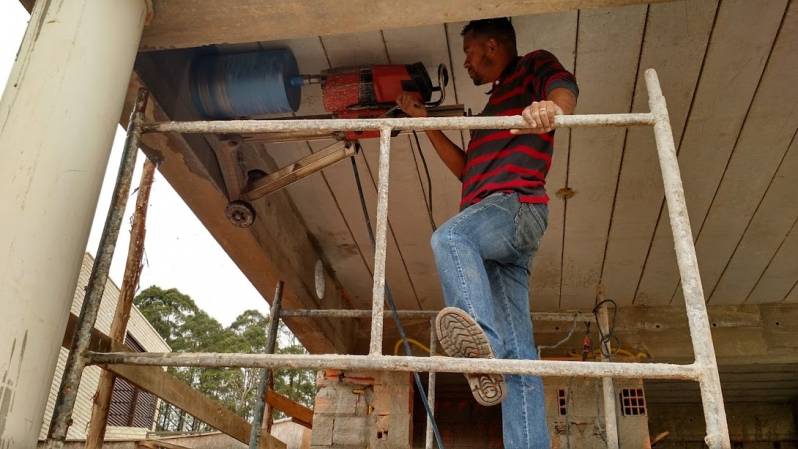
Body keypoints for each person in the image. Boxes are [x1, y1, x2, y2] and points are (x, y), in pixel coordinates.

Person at [396, 17, 578, 449]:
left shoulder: (532, 69)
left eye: (470, 54)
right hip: (497, 229)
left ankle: (482, 348)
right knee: (521, 356)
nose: (467, 64)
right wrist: (426, 123)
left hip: (514, 206)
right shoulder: (491, 114)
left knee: (451, 239)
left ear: (492, 46)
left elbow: (563, 87)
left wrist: (553, 110)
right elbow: (466, 171)